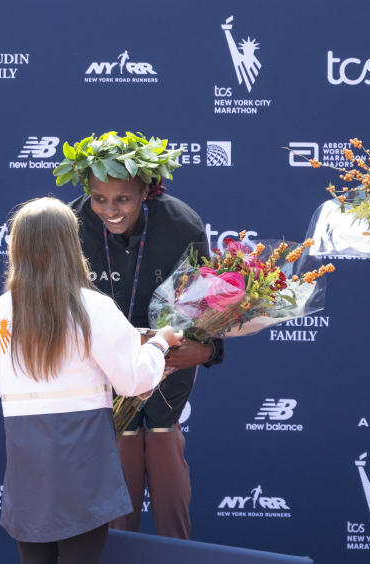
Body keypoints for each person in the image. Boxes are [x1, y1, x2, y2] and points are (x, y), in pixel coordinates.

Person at [0, 197, 182, 564]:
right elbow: (134, 381)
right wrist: (159, 343)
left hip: (26, 460)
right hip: (82, 458)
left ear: (17, 246)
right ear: (69, 245)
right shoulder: (92, 306)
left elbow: (1, 384)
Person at [58, 132, 225, 539]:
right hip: (104, 361)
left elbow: (207, 302)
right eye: (99, 199)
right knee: (123, 449)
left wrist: (206, 349)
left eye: (123, 199)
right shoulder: (72, 223)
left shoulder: (180, 222)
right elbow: (59, 302)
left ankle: (177, 551)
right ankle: (118, 551)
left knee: (165, 445)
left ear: (146, 191)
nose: (110, 210)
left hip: (170, 354)